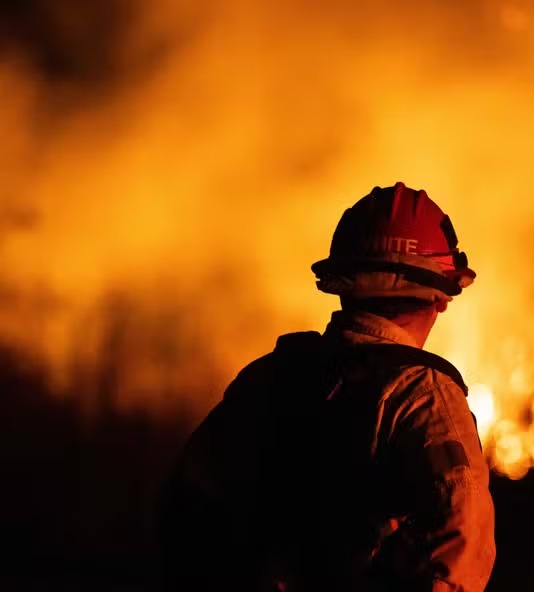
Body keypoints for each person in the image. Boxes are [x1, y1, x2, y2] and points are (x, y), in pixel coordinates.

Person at [156, 182, 496, 591]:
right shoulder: (423, 395)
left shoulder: (267, 379)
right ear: (439, 297)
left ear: (342, 283)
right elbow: (460, 544)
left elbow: (182, 510)